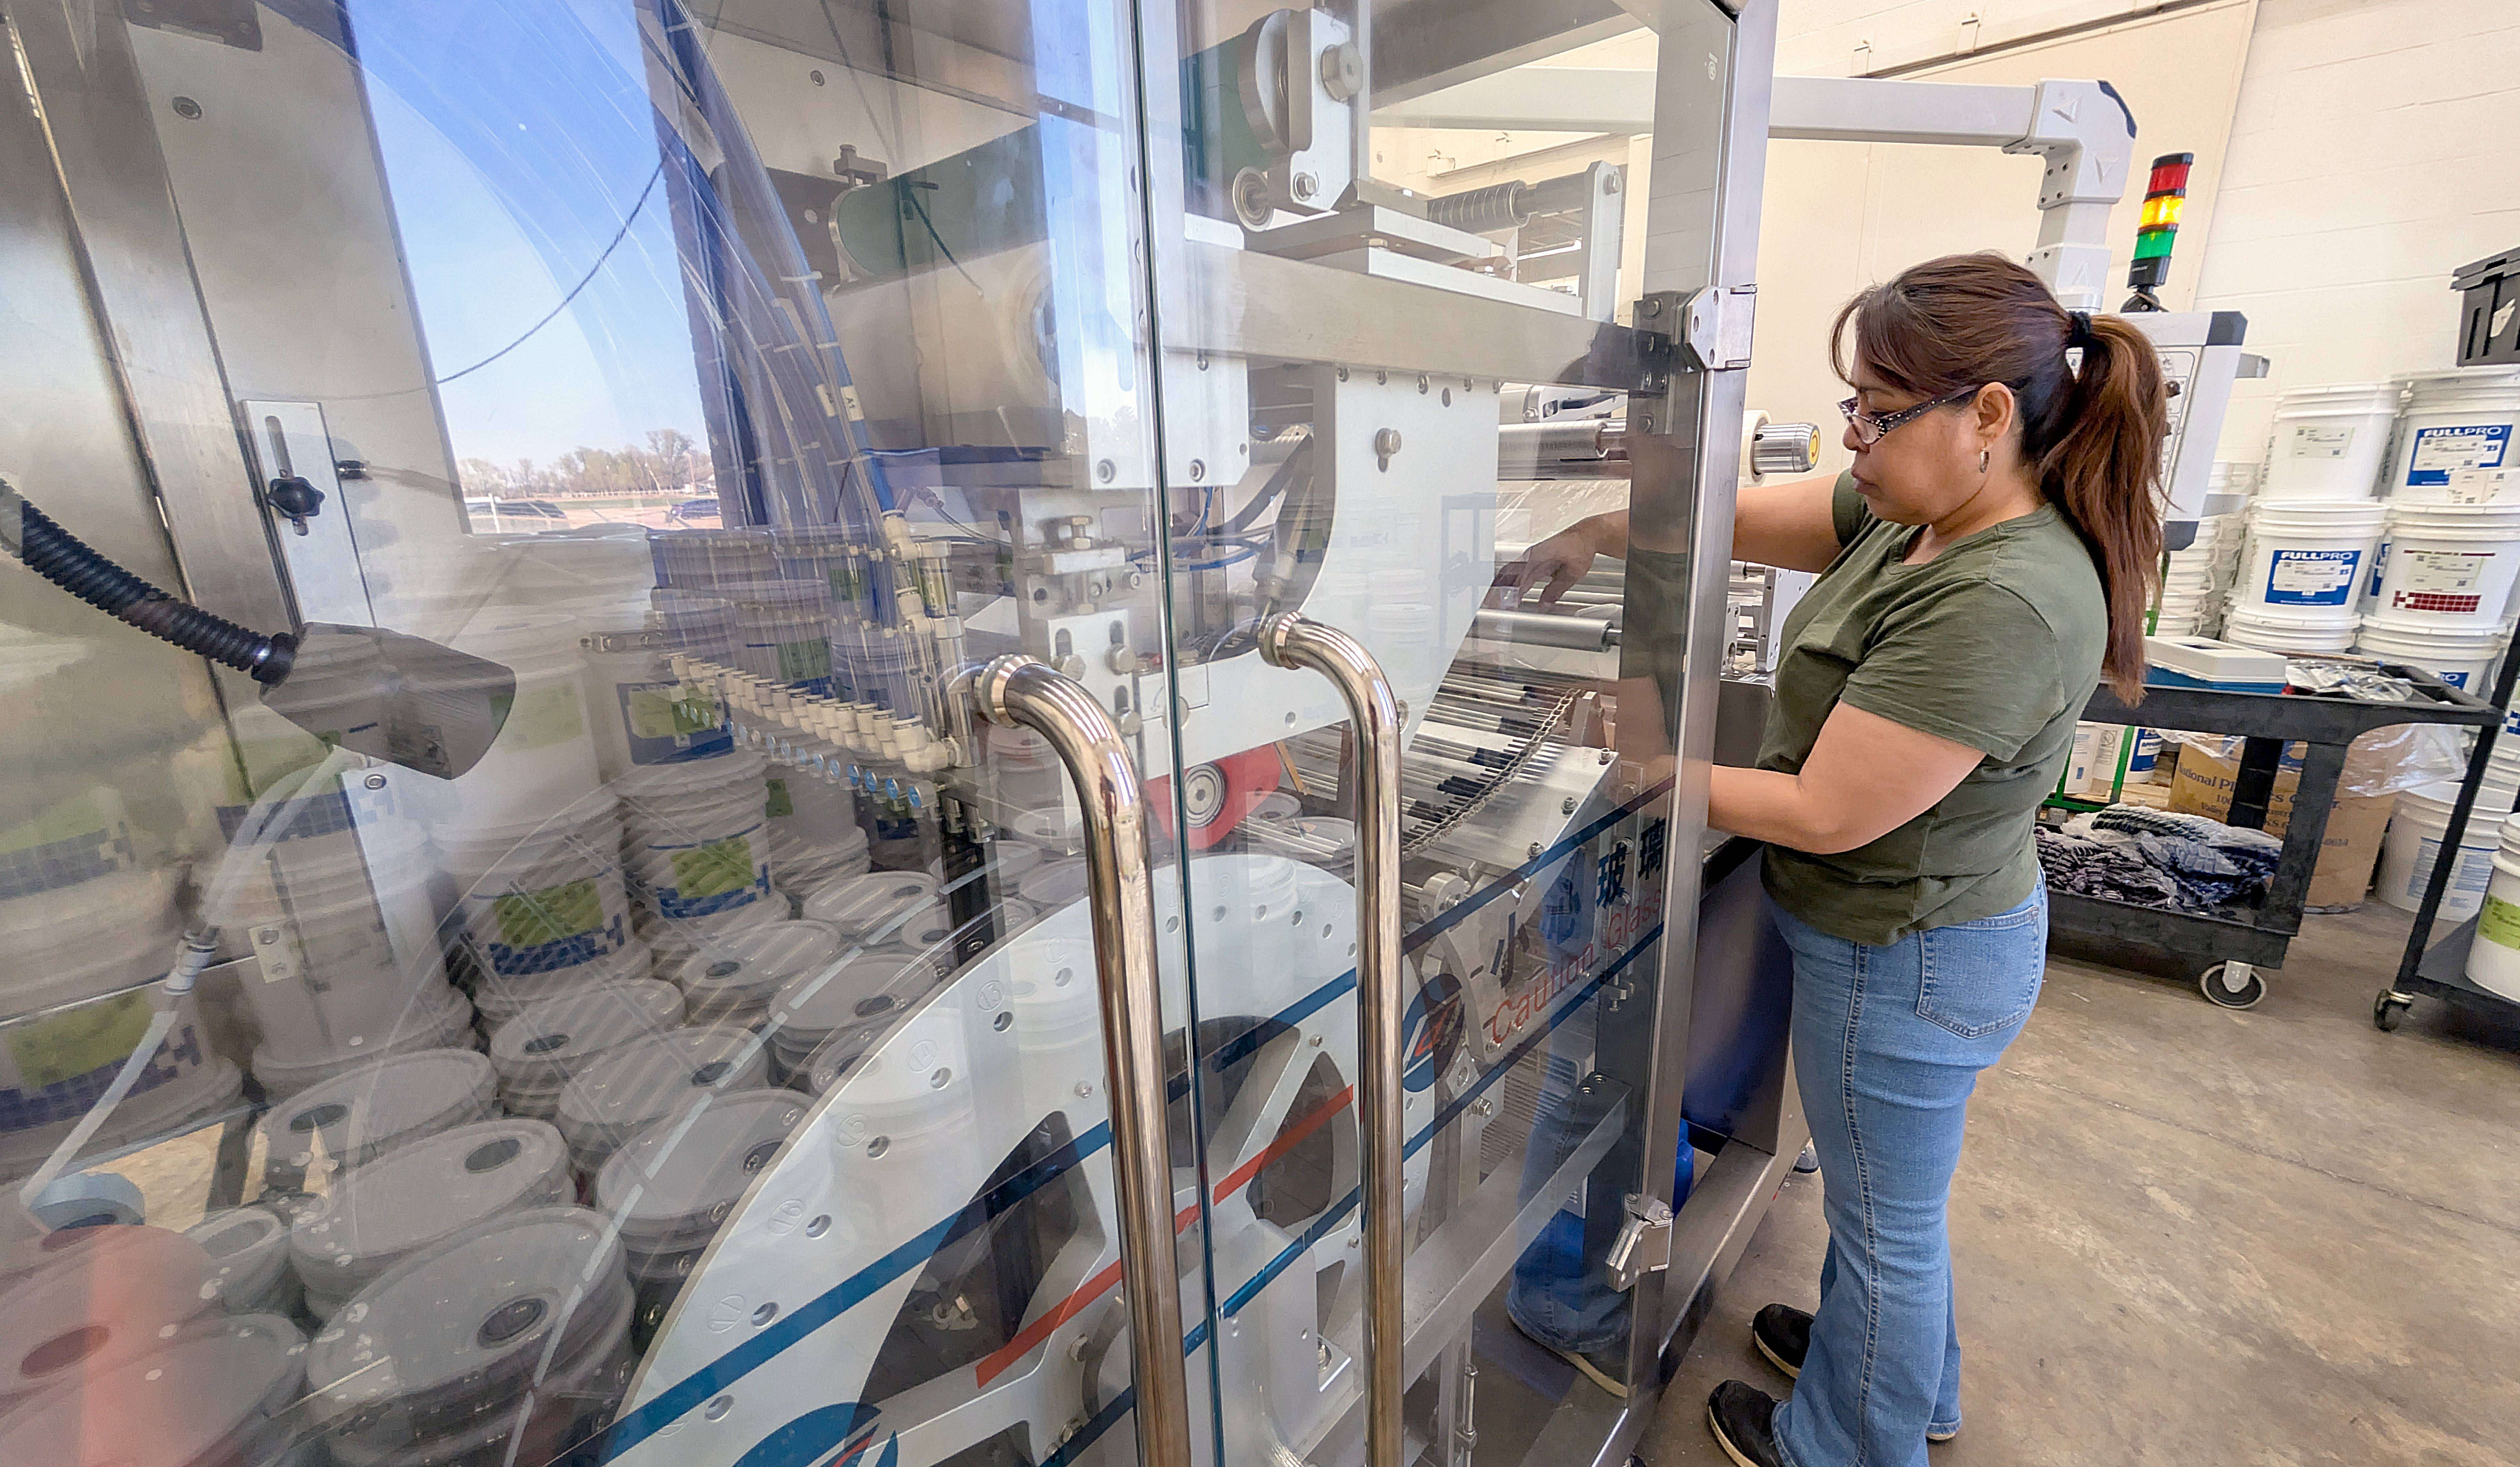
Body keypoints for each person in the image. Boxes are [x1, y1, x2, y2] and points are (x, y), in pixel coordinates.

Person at [1496, 252, 2166, 1466]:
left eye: (1875, 412)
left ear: (1990, 416)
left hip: (1909, 956)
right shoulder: (1923, 511)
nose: (1852, 440)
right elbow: (1743, 520)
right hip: (1910, 932)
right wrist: (1600, 527)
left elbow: (1826, 811)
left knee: (1886, 1225)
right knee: (1892, 1212)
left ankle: (1853, 1440)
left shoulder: (2000, 595)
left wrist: (1634, 769)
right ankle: (1913, 1382)